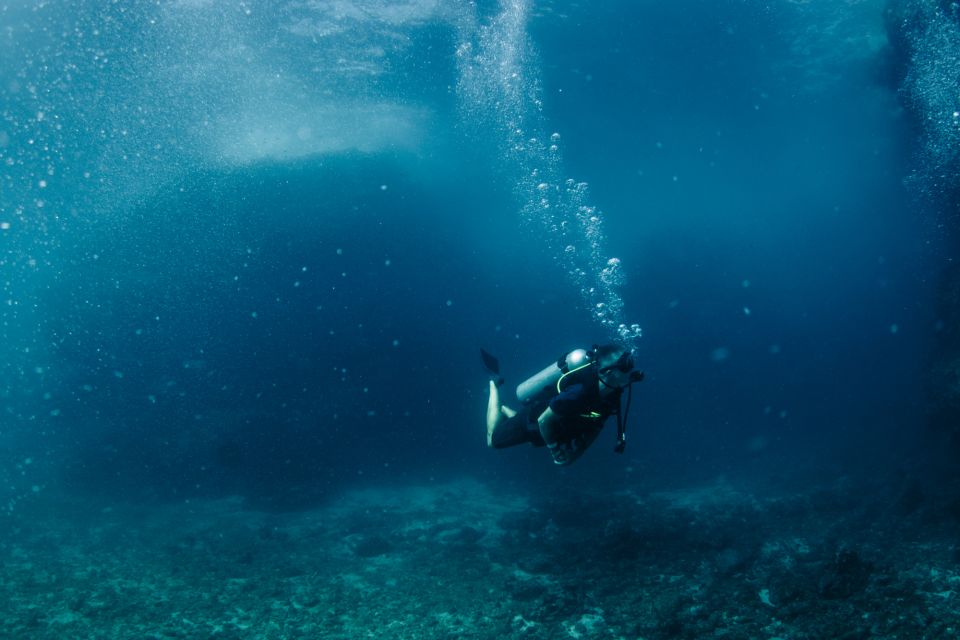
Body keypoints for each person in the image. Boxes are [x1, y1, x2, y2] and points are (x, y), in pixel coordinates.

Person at [485, 344, 642, 466]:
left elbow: (597, 426)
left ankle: (504, 409)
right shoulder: (579, 392)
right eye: (625, 367)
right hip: (533, 422)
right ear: (608, 372)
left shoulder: (614, 393)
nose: (631, 371)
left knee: (532, 438)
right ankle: (494, 383)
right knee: (492, 441)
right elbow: (543, 421)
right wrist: (554, 450)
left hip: (554, 429)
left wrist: (576, 455)